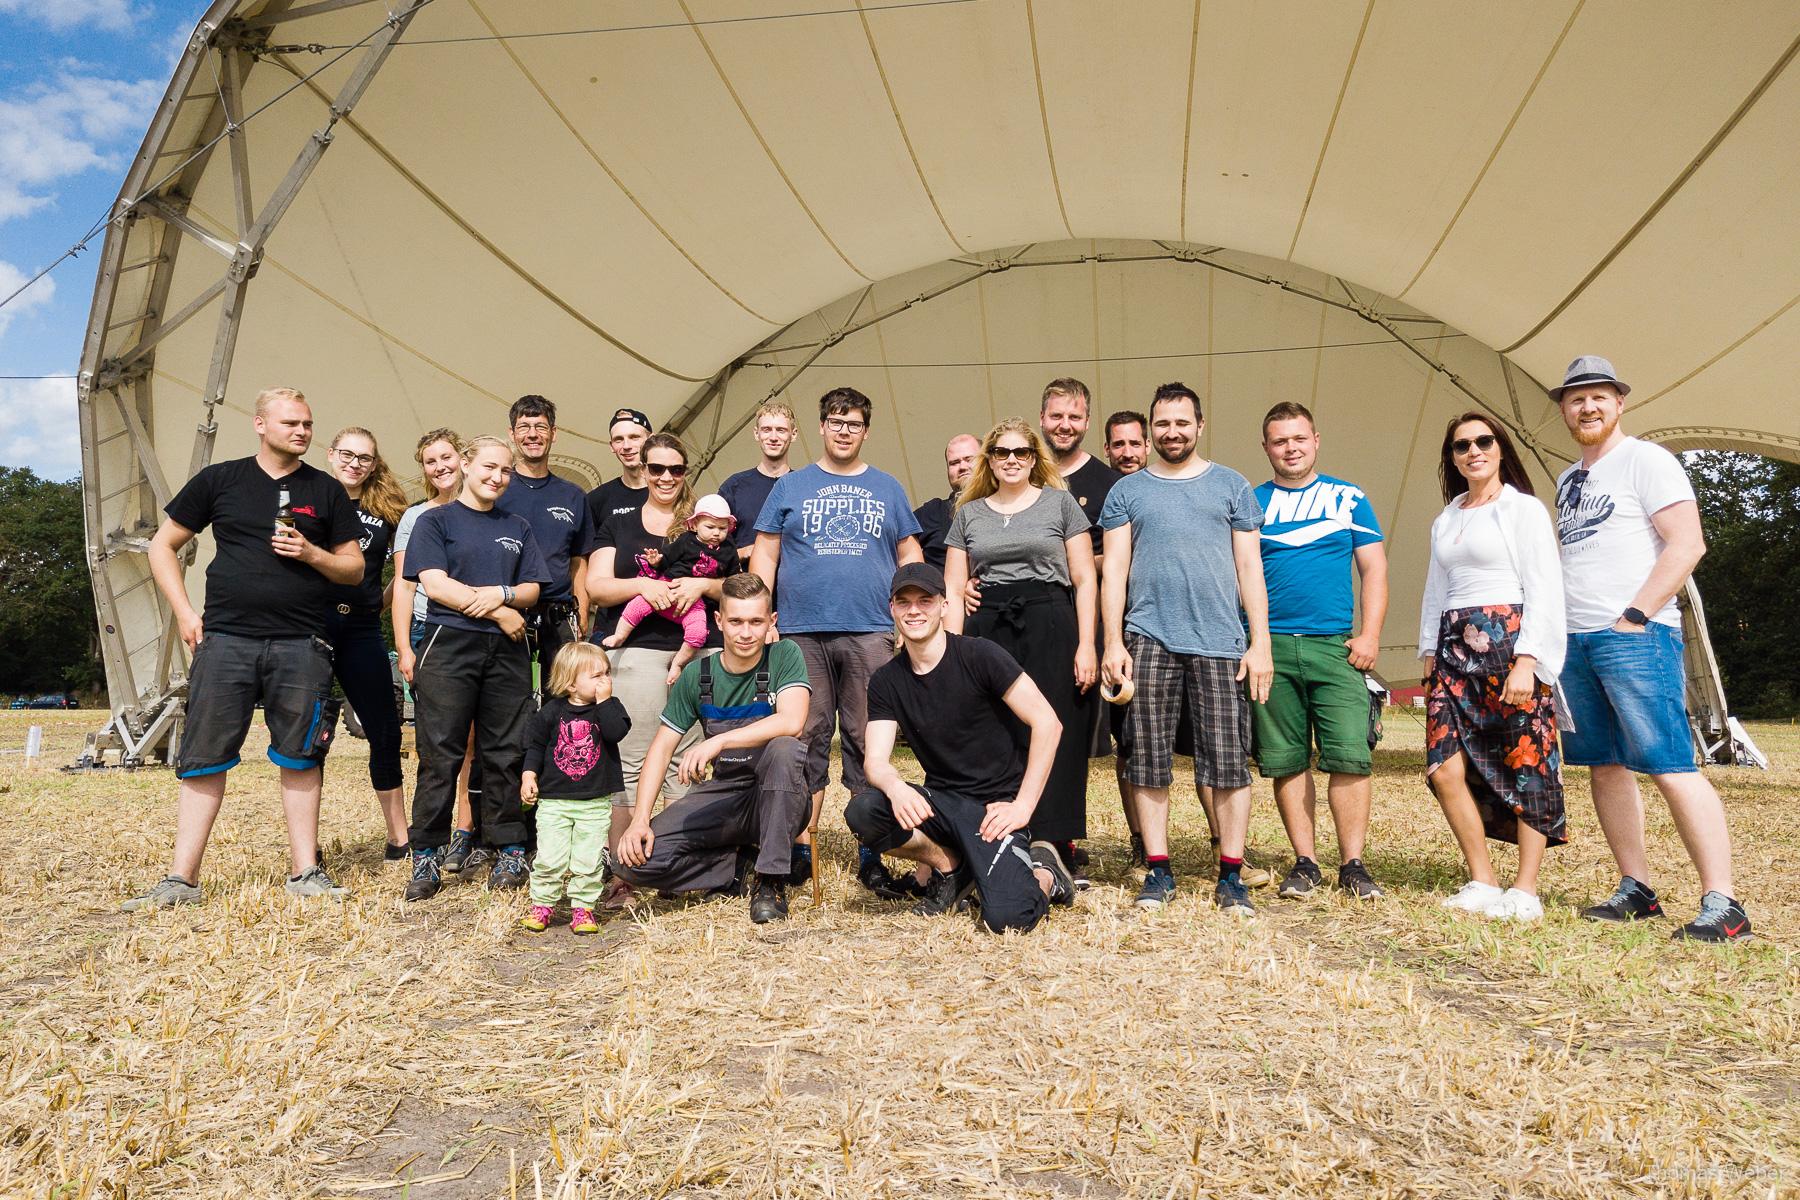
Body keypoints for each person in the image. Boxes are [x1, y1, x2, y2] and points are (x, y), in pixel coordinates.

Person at [123, 387, 364, 910]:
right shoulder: (220, 480)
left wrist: (312, 552)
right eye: (290, 423)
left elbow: (354, 568)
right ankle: (180, 881)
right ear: (260, 424)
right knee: (204, 757)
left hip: (302, 641)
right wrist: (186, 613)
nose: (301, 431)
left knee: (301, 756)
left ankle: (306, 872)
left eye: (307, 424)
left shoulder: (324, 490)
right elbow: (161, 545)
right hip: (227, 638)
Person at [1550, 356, 1751, 941]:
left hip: (1636, 636)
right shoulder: (1568, 480)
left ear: (1619, 403)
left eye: (1598, 397)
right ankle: (1636, 888)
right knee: (1605, 767)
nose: (1587, 407)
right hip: (1577, 641)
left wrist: (1635, 617)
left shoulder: (1647, 461)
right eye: (1575, 399)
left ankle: (1724, 902)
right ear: (1564, 409)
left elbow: (1687, 544)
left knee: (1670, 766)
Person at [1099, 383, 1272, 915]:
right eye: (1162, 424)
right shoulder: (1127, 492)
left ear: (1199, 426)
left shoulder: (1232, 486)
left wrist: (1259, 641)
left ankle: (1231, 874)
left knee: (1227, 763)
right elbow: (1115, 573)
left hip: (1221, 643)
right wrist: (1112, 642)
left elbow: (1249, 568)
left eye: (1182, 423)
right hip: (1147, 638)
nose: (1171, 432)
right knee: (1148, 761)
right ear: (1151, 431)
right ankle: (1158, 869)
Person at [750, 386, 923, 891]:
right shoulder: (791, 486)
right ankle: (803, 846)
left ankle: (873, 850)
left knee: (867, 736)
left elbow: (909, 551)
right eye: (835, 421)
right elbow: (765, 555)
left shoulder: (888, 487)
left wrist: (909, 612)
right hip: (801, 632)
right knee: (803, 738)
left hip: (869, 629)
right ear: (821, 426)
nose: (843, 430)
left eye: (853, 423)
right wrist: (764, 616)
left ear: (865, 431)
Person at [845, 563, 1076, 933]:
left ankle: (1047, 872)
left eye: (925, 600)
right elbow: (875, 760)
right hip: (942, 804)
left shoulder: (979, 655)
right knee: (865, 810)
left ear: (945, 606)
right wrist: (896, 787)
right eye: (904, 602)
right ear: (892, 609)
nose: (914, 610)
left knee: (1008, 921)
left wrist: (1023, 806)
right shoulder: (887, 680)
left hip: (994, 810)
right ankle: (950, 866)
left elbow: (1048, 723)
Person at [1419, 414, 1566, 922]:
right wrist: (1426, 649)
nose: (1473, 451)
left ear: (1501, 448)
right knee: (1443, 766)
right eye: (1462, 445)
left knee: (1527, 762)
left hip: (1511, 646)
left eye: (1484, 441)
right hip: (1453, 652)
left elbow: (1545, 586)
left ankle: (1525, 890)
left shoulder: (1523, 510)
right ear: (1452, 456)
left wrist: (1530, 659)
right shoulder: (1448, 516)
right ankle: (1482, 878)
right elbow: (1436, 589)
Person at [943, 419, 1096, 883]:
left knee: (1055, 726)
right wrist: (952, 652)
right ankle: (1005, 832)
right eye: (1002, 452)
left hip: (1050, 619)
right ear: (989, 459)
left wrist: (1087, 643)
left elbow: (1085, 577)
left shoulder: (1060, 503)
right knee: (996, 731)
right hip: (988, 625)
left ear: (1035, 458)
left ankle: (1054, 839)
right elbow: (952, 584)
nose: (1012, 459)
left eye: (1022, 452)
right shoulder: (968, 513)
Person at [402, 436, 552, 901]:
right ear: (466, 465)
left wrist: (506, 600)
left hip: (506, 653)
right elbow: (435, 584)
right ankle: (426, 851)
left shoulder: (517, 525)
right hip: (450, 645)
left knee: (505, 751)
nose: (497, 477)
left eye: (505, 471)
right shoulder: (435, 521)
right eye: (489, 467)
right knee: (440, 754)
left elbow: (530, 588)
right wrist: (499, 612)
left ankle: (508, 846)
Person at [614, 573, 811, 924]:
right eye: (735, 621)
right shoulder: (697, 675)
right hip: (725, 796)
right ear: (719, 621)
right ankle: (734, 866)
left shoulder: (784, 655)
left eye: (755, 621)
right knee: (629, 861)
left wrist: (718, 740)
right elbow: (660, 749)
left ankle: (770, 880)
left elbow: (792, 720)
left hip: (780, 795)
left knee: (784, 748)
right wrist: (640, 820)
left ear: (771, 622)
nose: (746, 633)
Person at [1253, 403, 1388, 901]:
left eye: (1299, 438)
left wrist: (1369, 635)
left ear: (1316, 440)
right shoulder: (1251, 503)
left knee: (1349, 757)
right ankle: (1305, 862)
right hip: (1271, 649)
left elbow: (1373, 569)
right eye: (1279, 440)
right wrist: (1253, 643)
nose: (1290, 447)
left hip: (1335, 646)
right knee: (1287, 759)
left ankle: (1353, 864)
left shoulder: (1348, 497)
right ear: (1266, 447)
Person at [585, 432, 721, 906]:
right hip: (636, 651)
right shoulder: (618, 522)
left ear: (686, 473)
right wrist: (643, 582)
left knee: (689, 762)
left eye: (676, 469)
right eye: (656, 468)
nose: (666, 477)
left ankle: (672, 868)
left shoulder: (707, 522)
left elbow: (740, 585)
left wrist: (702, 587)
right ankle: (622, 872)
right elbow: (597, 587)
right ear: (642, 469)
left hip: (697, 650)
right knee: (632, 759)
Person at [393, 429, 486, 875]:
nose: (441, 466)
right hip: (433, 633)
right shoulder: (416, 518)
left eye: (447, 456)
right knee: (439, 744)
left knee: (474, 743)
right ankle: (429, 837)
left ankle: (465, 832)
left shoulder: (487, 510)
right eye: (431, 461)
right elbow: (404, 588)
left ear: (464, 460)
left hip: (480, 633)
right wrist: (404, 647)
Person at [323, 426, 411, 860]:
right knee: (309, 736)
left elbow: (406, 566)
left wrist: (382, 600)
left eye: (364, 457)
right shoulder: (309, 496)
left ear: (374, 464)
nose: (354, 463)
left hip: (360, 628)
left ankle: (400, 838)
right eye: (347, 454)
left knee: (385, 730)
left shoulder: (387, 509)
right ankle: (307, 847)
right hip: (312, 627)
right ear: (330, 454)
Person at [518, 642, 631, 935]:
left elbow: (615, 732)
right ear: (570, 683)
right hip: (554, 800)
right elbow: (536, 746)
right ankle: (543, 905)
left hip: (594, 801)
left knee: (588, 859)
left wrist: (606, 701)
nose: (605, 680)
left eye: (607, 673)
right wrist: (529, 775)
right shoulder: (551, 712)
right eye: (596, 675)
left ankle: (584, 908)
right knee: (550, 857)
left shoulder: (610, 708)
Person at [496, 395, 596, 683]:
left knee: (566, 696)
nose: (532, 435)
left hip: (559, 615)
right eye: (524, 426)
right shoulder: (497, 490)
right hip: (508, 612)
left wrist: (582, 613)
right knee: (511, 701)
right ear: (512, 434)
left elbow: (579, 561)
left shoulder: (573, 495)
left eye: (540, 426)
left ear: (553, 434)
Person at [601, 493, 743, 683]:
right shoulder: (686, 540)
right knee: (638, 605)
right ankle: (620, 635)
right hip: (667, 587)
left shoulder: (728, 549)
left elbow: (734, 580)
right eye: (710, 527)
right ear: (694, 525)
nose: (716, 533)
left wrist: (707, 585)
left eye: (722, 528)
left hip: (695, 603)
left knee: (698, 633)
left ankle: (678, 663)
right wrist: (655, 561)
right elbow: (666, 559)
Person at [718, 401, 796, 552]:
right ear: (756, 433)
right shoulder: (734, 487)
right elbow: (712, 548)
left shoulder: (804, 486)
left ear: (793, 434)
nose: (773, 437)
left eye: (781, 430)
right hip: (745, 574)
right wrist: (747, 552)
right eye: (766, 430)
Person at [912, 434, 980, 571]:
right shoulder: (932, 512)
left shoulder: (1006, 507)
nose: (962, 467)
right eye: (954, 463)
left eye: (969, 459)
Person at [585, 407, 654, 530]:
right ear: (611, 446)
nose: (626, 446)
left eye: (634, 437)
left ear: (651, 440)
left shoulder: (669, 491)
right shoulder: (596, 499)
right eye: (619, 439)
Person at [1102, 410, 1148, 476]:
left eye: (1135, 444)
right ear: (1107, 449)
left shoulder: (1164, 485)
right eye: (1118, 445)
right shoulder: (1095, 485)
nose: (1127, 454)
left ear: (1147, 447)